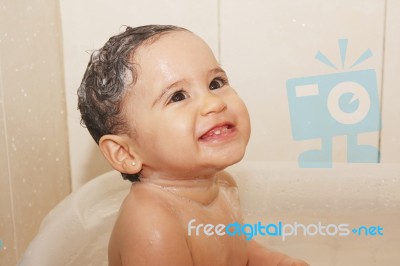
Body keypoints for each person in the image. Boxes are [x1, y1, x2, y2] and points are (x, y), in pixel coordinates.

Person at [78, 24, 308, 266]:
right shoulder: (153, 225)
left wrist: (281, 262)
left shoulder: (224, 186)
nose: (213, 103)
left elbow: (238, 249)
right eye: (178, 96)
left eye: (216, 83)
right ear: (125, 152)